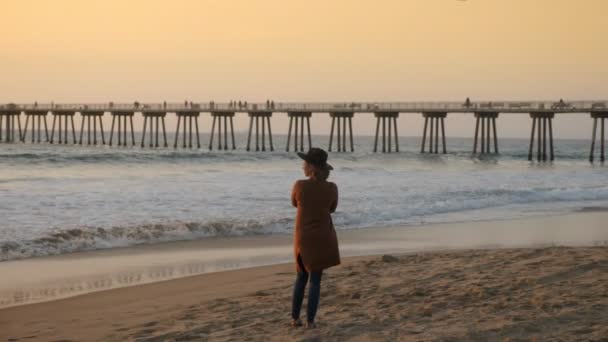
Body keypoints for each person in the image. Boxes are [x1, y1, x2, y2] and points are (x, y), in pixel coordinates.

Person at [290, 148, 340, 328]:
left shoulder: (299, 185)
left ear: (311, 167)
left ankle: (295, 318)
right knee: (316, 281)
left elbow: (294, 203)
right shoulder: (332, 188)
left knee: (301, 277)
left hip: (303, 237)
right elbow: (332, 208)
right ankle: (311, 322)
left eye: (305, 163)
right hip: (323, 237)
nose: (302, 166)